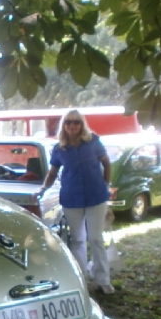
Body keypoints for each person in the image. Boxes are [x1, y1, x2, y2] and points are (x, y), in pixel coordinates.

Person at [37, 109, 115, 294]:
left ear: (82, 124)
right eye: (68, 122)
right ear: (64, 125)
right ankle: (81, 280)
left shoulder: (93, 141)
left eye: (76, 122)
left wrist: (106, 184)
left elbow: (106, 163)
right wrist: (43, 189)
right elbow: (53, 173)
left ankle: (103, 280)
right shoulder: (59, 148)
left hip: (96, 196)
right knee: (77, 239)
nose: (72, 125)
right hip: (71, 198)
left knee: (96, 238)